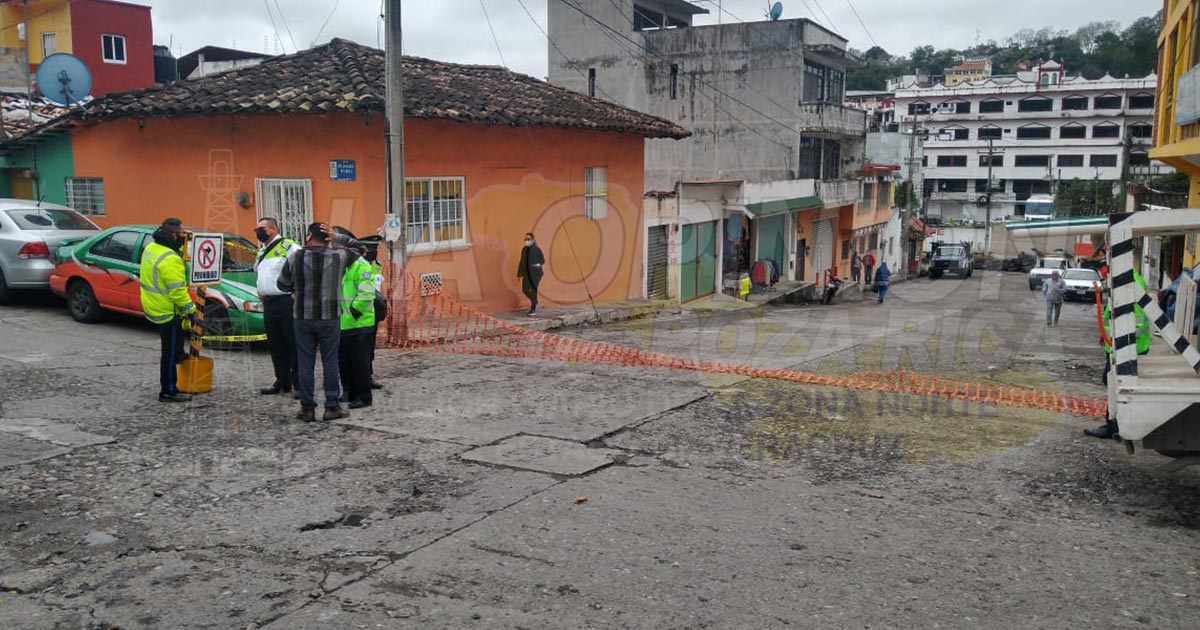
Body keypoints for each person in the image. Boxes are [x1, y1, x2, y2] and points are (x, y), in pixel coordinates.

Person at [276, 223, 362, 422]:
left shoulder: (294, 257)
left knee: (305, 362)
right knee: (330, 361)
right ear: (328, 238)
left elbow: (282, 284)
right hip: (329, 317)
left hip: (302, 317)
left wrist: (295, 291)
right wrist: (339, 237)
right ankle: (332, 407)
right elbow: (361, 248)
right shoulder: (338, 256)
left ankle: (307, 409)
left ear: (308, 236)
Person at [1086, 269, 1152, 439]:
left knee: (1116, 384)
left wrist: (1120, 339)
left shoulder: (1129, 281)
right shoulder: (1122, 279)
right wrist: (1105, 334)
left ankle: (1114, 425)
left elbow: (1138, 321)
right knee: (1112, 382)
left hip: (1129, 348)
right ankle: (1115, 424)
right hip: (1119, 346)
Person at [139, 218, 197, 403]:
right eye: (180, 234)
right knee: (170, 353)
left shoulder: (152, 248)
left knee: (173, 350)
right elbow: (177, 292)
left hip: (153, 305)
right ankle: (168, 391)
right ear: (172, 235)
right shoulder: (170, 259)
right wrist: (191, 311)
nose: (182, 238)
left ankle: (174, 384)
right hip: (167, 311)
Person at [253, 217, 299, 396]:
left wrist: (297, 291)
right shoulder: (262, 251)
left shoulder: (288, 247)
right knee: (275, 345)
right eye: (257, 229)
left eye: (262, 229)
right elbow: (260, 273)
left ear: (273, 229)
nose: (258, 232)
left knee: (292, 344)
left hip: (286, 301)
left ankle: (299, 384)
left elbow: (301, 269)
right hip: (269, 302)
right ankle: (282, 381)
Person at [333, 227, 375, 409]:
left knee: (359, 364)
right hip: (341, 323)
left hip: (359, 323)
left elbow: (366, 294)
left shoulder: (362, 266)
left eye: (338, 248)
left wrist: (353, 312)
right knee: (344, 363)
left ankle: (364, 396)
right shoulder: (339, 266)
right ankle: (348, 392)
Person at [517, 232, 545, 315]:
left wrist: (539, 264)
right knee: (525, 289)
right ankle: (534, 300)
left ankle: (533, 309)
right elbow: (522, 262)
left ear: (532, 240)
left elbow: (542, 260)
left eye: (528, 239)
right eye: (525, 239)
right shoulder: (524, 250)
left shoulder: (537, 249)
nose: (526, 241)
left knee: (533, 289)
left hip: (536, 273)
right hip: (527, 273)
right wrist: (519, 274)